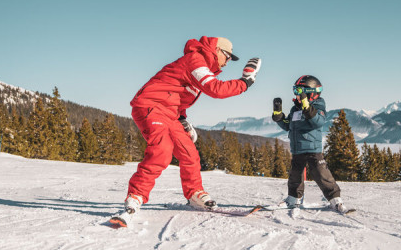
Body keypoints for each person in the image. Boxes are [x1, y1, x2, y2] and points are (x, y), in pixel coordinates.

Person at [111, 36, 261, 227]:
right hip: (150, 105)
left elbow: (177, 93)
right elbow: (215, 89)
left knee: (189, 153)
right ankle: (135, 197)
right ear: (217, 50)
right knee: (162, 150)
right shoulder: (196, 60)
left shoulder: (201, 65)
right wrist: (245, 82)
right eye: (228, 56)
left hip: (169, 113)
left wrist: (182, 118)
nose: (228, 62)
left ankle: (194, 194)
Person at [272, 75, 350, 214]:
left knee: (321, 174)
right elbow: (288, 125)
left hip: (312, 148)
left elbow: (318, 121)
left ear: (310, 92)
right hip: (297, 149)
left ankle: (335, 200)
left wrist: (307, 107)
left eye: (299, 91)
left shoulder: (318, 106)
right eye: (295, 91)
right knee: (295, 175)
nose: (296, 95)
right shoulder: (295, 109)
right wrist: (279, 117)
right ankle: (293, 199)